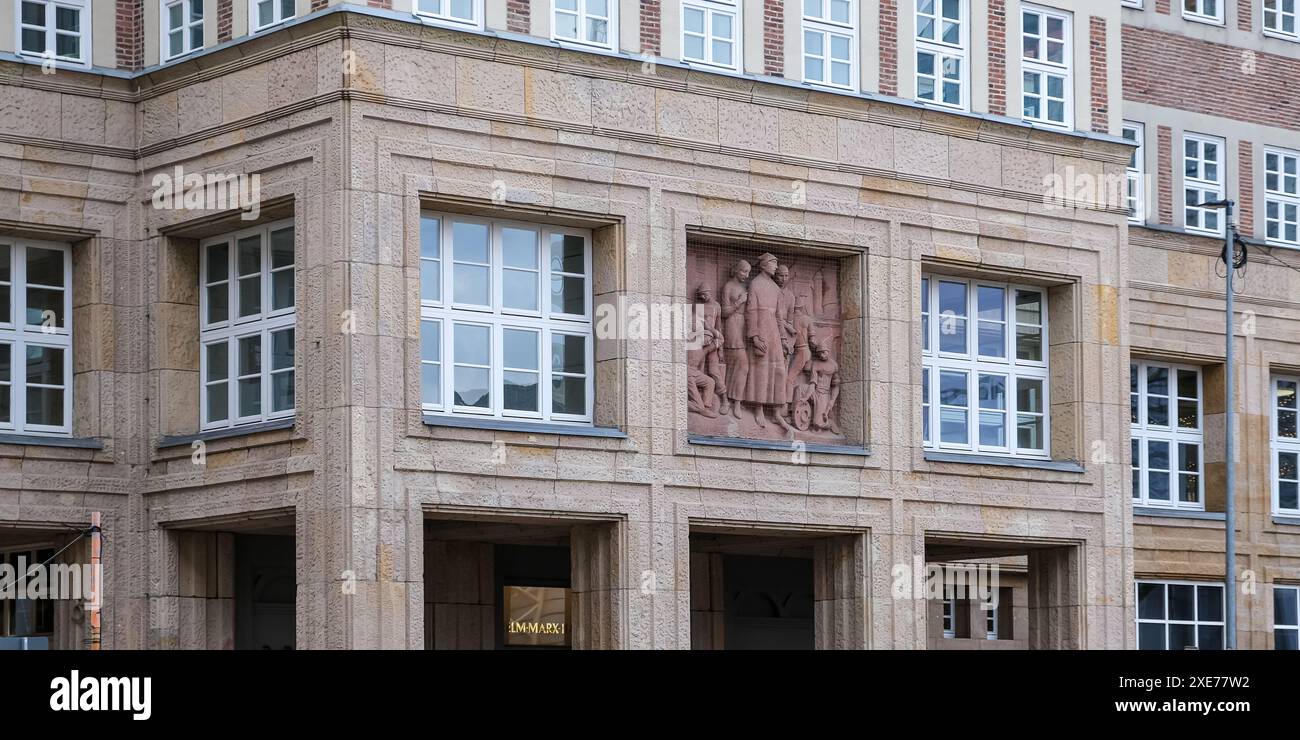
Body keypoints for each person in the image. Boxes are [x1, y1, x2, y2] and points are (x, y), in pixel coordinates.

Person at [743, 253, 792, 433]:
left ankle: (776, 409)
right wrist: (754, 336)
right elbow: (751, 312)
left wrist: (784, 339)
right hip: (761, 330)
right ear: (764, 265)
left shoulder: (775, 288)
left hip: (774, 333)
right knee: (761, 369)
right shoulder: (755, 283)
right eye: (773, 264)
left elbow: (780, 316)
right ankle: (759, 408)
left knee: (778, 369)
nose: (775, 267)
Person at [720, 260, 750, 420]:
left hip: (743, 326)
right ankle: (730, 401)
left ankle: (735, 400)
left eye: (748, 272)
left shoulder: (744, 287)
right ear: (736, 270)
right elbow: (724, 312)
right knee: (739, 365)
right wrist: (739, 302)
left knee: (740, 366)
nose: (746, 275)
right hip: (732, 325)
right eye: (744, 271)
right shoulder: (728, 287)